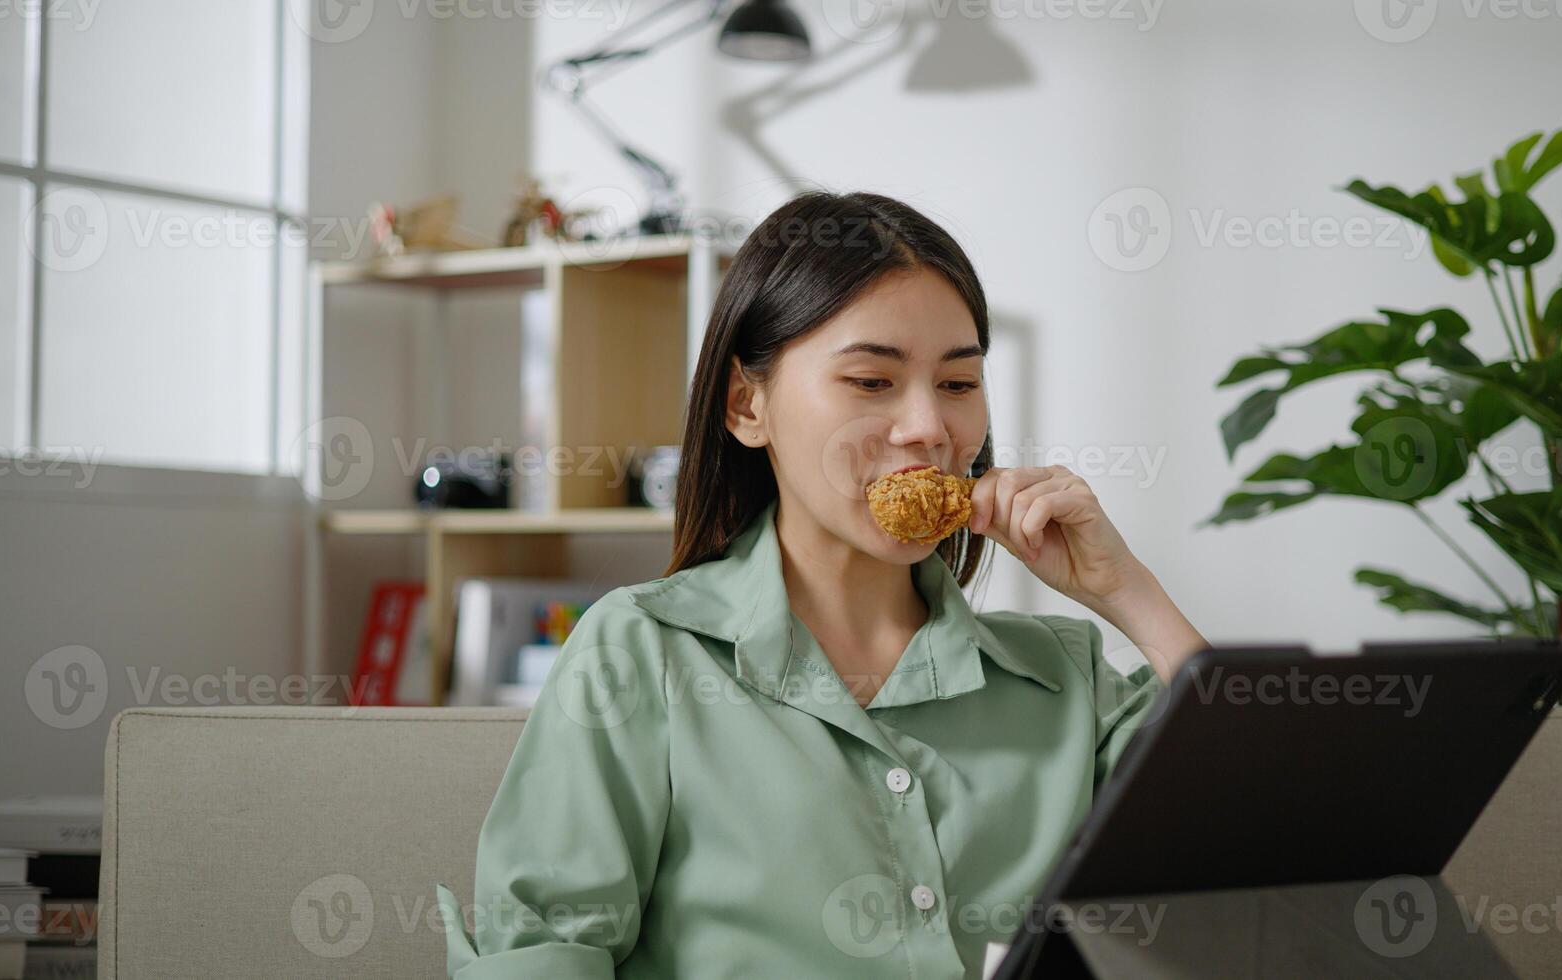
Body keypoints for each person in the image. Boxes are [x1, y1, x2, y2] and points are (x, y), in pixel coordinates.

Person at [435, 190, 1207, 979]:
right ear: (746, 404)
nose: (929, 430)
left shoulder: (1063, 680)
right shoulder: (641, 655)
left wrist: (1126, 591)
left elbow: (1266, 855)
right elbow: (540, 959)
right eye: (872, 381)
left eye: (957, 384)